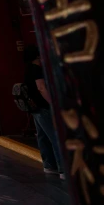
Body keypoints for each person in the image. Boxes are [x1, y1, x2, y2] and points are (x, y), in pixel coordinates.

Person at [24, 45, 64, 178]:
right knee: (55, 136)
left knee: (43, 137)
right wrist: (53, 103)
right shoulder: (37, 69)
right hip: (43, 107)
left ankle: (49, 165)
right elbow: (41, 88)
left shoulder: (28, 69)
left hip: (34, 108)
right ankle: (63, 169)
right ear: (37, 56)